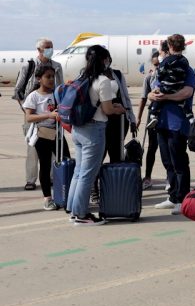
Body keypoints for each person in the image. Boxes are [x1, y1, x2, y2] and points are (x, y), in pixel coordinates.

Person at [66, 45, 127, 226]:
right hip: (94, 130)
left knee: (79, 172)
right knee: (87, 174)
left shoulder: (81, 77)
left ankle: (73, 209)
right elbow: (107, 109)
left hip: (78, 129)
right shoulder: (103, 80)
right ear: (103, 60)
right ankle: (81, 215)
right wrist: (119, 109)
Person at [148, 35, 195, 216]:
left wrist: (166, 97)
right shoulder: (165, 69)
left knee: (179, 161)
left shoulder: (187, 70)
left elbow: (186, 92)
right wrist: (154, 95)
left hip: (177, 122)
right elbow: (156, 90)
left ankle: (183, 199)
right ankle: (173, 196)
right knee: (167, 161)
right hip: (162, 122)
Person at [12, 38, 64, 191]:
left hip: (52, 114)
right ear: (39, 50)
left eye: (52, 47)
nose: (50, 50)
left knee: (54, 148)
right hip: (33, 115)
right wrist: (27, 110)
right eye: (47, 47)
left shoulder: (57, 67)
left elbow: (60, 89)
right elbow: (18, 90)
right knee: (33, 148)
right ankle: (31, 179)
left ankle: (52, 177)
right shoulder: (29, 66)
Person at [89, 54, 138, 204]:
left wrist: (132, 118)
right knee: (98, 156)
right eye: (103, 58)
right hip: (100, 120)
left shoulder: (116, 74)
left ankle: (113, 189)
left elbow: (125, 96)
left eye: (107, 58)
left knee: (116, 156)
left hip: (119, 120)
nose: (106, 61)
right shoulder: (90, 74)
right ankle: (93, 189)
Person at [22, 64, 70, 210]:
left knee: (66, 161)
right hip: (42, 134)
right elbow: (29, 117)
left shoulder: (57, 93)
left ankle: (66, 194)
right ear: (39, 79)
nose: (51, 80)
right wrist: (49, 115)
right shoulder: (34, 96)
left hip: (58, 134)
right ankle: (47, 198)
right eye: (47, 77)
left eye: (52, 77)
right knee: (45, 165)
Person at [146, 34, 192, 128]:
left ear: (169, 49)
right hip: (162, 124)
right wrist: (150, 95)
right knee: (184, 105)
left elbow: (186, 93)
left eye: (160, 53)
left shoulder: (188, 71)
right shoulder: (184, 62)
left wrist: (164, 96)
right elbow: (152, 94)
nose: (159, 56)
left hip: (177, 126)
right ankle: (190, 116)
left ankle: (153, 115)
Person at [136, 51, 161, 190]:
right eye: (155, 64)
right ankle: (147, 176)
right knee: (152, 147)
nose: (157, 66)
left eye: (159, 63)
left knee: (166, 148)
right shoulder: (149, 78)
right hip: (153, 116)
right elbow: (143, 98)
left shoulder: (169, 77)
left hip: (166, 115)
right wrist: (138, 117)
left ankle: (170, 177)